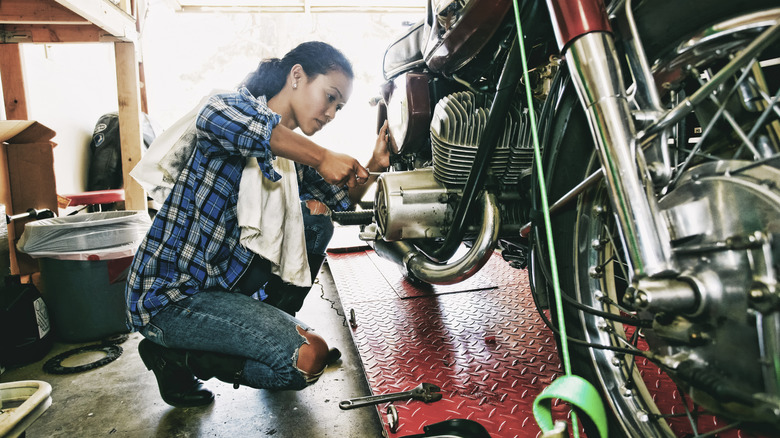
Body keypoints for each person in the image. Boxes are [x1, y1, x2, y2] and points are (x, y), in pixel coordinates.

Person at [125, 41, 391, 408]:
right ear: (297, 75)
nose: (331, 113)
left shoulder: (292, 160)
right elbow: (238, 127)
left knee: (317, 223)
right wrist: (322, 156)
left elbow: (341, 202)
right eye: (329, 97)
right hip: (169, 297)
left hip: (224, 291)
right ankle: (171, 356)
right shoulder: (228, 106)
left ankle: (279, 322)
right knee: (306, 360)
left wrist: (375, 164)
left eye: (339, 107)